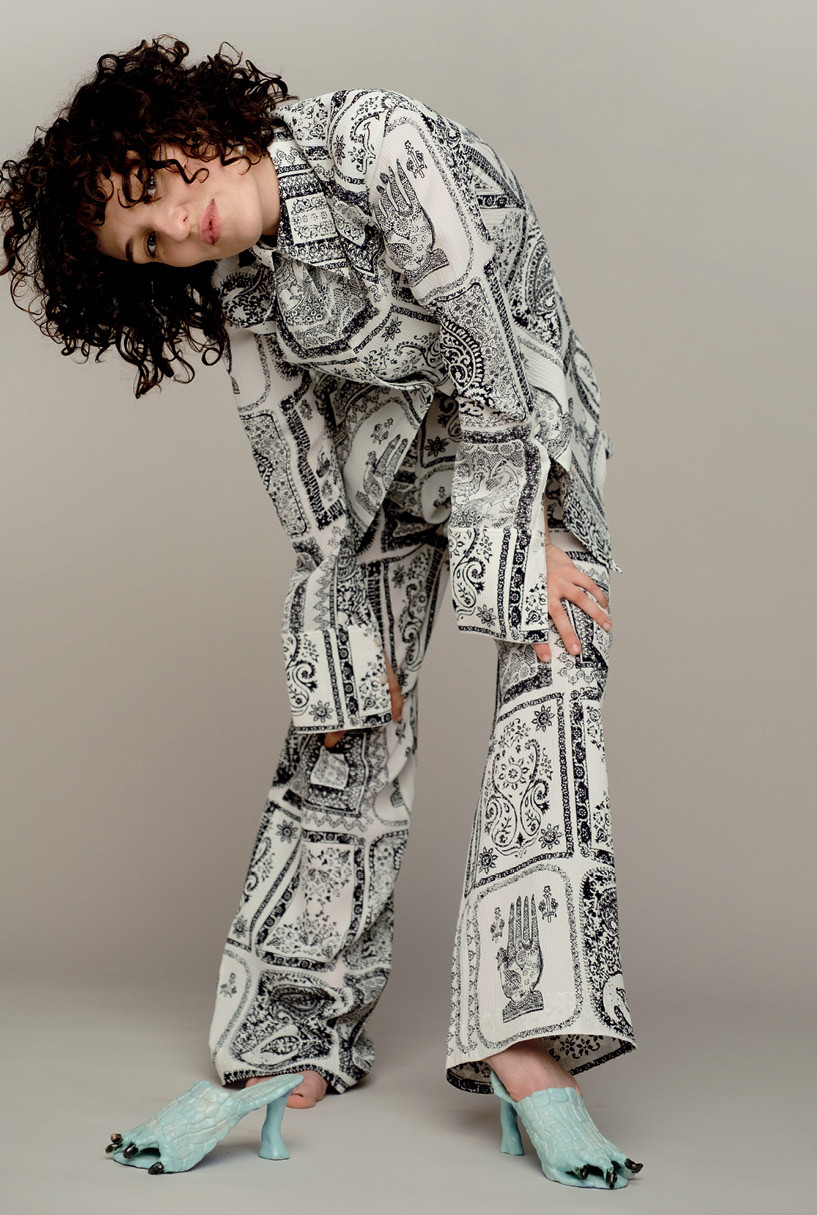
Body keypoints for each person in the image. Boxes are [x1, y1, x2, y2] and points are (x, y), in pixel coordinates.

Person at [1, 36, 641, 1189]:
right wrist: (342, 639)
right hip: (386, 467)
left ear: (188, 125)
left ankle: (527, 1037)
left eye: (153, 185)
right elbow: (298, 471)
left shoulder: (376, 144)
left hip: (527, 429)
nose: (175, 227)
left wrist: (525, 538)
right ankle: (288, 1033)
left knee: (554, 669)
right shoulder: (238, 288)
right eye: (145, 244)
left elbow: (489, 345)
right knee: (341, 718)